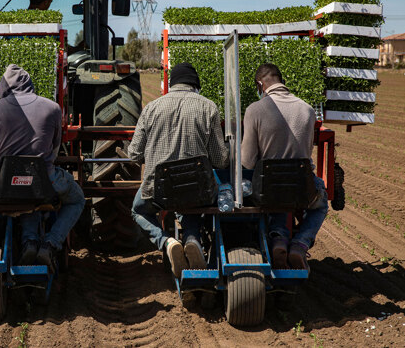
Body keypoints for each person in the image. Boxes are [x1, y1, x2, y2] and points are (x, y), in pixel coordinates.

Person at [0, 64, 84, 273]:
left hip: (6, 186)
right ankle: (50, 243)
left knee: (23, 194)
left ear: (3, 87)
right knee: (76, 199)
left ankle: (29, 242)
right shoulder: (53, 108)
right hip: (44, 182)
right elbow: (54, 153)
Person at [128, 62, 229, 278]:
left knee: (138, 210)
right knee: (193, 201)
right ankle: (192, 239)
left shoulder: (151, 108)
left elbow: (134, 154)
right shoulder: (209, 107)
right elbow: (221, 160)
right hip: (198, 189)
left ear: (171, 84)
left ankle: (167, 241)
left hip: (159, 190)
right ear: (195, 85)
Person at [241, 63, 328, 271]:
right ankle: (300, 243)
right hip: (301, 185)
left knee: (274, 192)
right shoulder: (307, 110)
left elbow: (248, 161)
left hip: (268, 187)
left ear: (260, 85)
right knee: (321, 203)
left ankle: (279, 239)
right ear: (282, 81)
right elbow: (304, 153)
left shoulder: (255, 109)